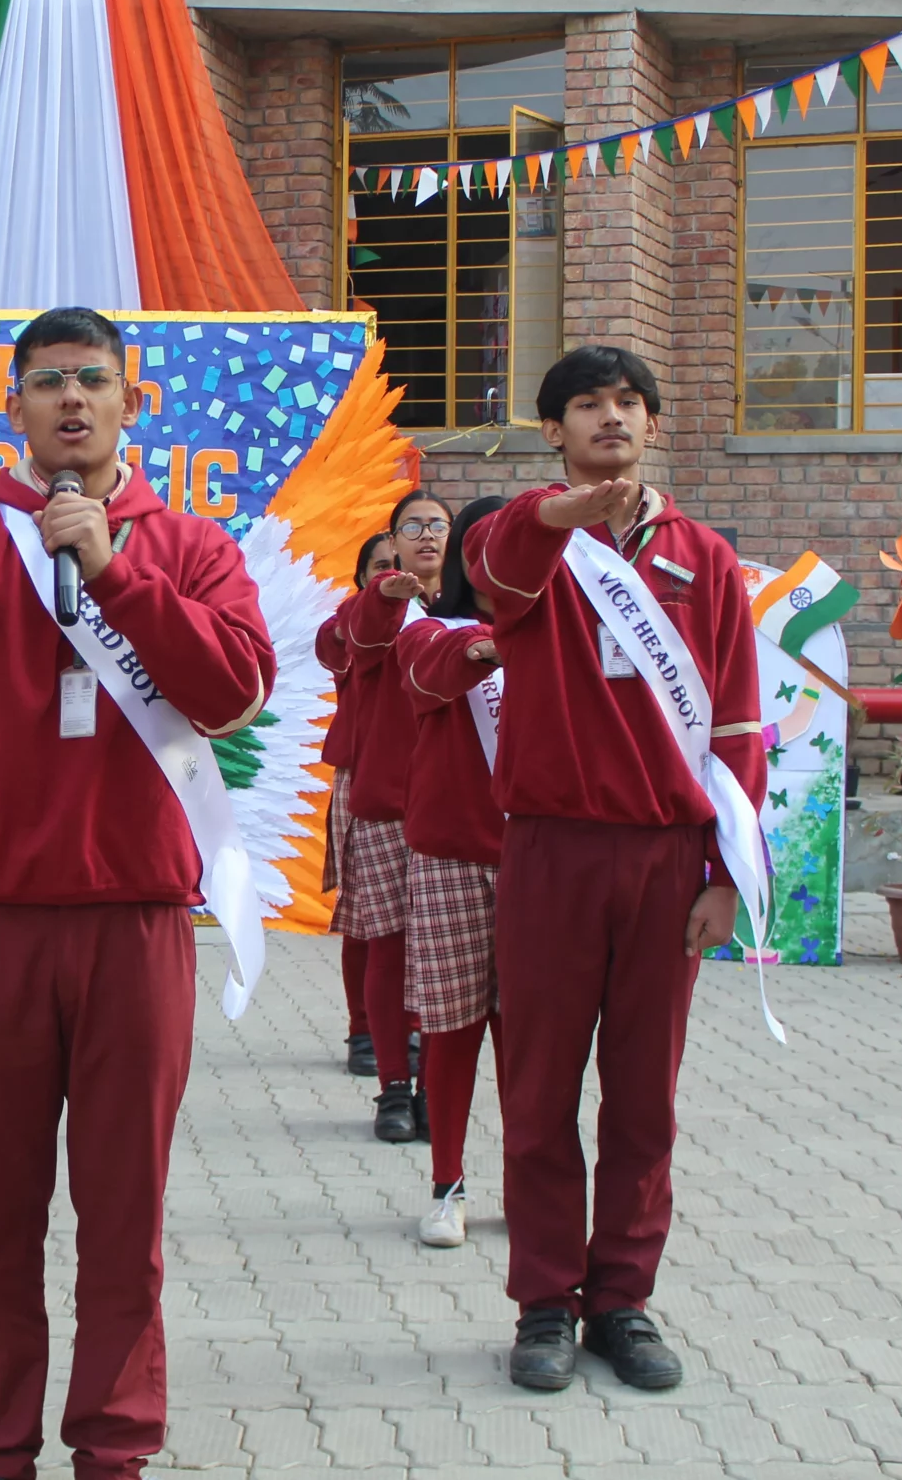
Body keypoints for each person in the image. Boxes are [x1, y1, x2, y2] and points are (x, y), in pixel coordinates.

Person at [0, 306, 275, 1480]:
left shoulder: (191, 545)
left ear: (128, 403)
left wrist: (107, 563)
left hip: (135, 923)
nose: (68, 399)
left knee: (122, 1221)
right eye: (45, 381)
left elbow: (230, 687)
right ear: (13, 407)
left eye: (90, 380)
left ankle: (114, 1447)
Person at [468, 346, 763, 1394]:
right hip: (550, 847)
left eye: (627, 403)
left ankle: (622, 1302)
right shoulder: (532, 540)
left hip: (667, 860)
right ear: (553, 430)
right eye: (586, 405)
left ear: (650, 422)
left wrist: (727, 873)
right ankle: (544, 1302)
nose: (610, 419)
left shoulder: (703, 557)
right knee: (540, 1085)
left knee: (644, 1095)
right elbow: (495, 574)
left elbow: (735, 724)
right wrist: (559, 517)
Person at [393, 495, 510, 1249]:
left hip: (543, 857)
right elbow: (428, 675)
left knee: (534, 1036)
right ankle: (447, 1181)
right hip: (451, 854)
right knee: (453, 1026)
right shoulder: (434, 628)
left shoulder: (570, 632)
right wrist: (489, 649)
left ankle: (533, 1185)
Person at [326, 491, 452, 1141]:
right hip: (384, 803)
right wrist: (384, 592)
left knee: (443, 954)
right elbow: (340, 641)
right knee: (387, 940)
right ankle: (393, 1088)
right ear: (393, 539)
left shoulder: (465, 609)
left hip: (455, 804)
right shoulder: (375, 609)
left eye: (437, 525)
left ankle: (436, 1084)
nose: (426, 536)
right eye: (413, 526)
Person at [320, 531, 398, 1078]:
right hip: (365, 776)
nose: (391, 573)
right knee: (365, 913)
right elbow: (332, 644)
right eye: (380, 566)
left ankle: (412, 1028)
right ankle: (364, 1030)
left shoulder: (445, 620)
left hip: (434, 779)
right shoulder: (349, 622)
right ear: (362, 576)